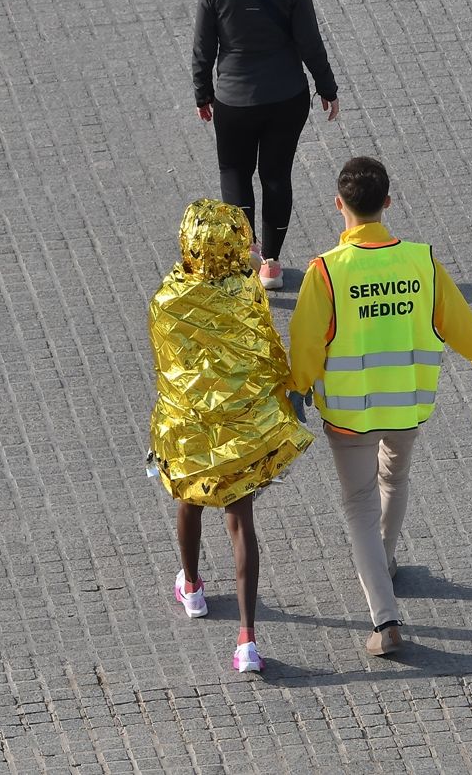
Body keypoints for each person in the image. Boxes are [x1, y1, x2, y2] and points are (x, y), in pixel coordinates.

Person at [287, 157, 472, 657]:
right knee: (395, 480)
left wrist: (298, 387)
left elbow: (306, 345)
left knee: (359, 506)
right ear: (387, 203)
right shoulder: (421, 262)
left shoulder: (326, 271)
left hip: (348, 413)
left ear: (338, 205)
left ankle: (384, 618)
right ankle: (385, 561)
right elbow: (456, 323)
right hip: (408, 405)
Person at [148, 199, 313, 673]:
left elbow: (166, 365)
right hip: (241, 425)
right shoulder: (246, 293)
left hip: (190, 422)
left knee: (189, 500)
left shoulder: (167, 299)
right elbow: (265, 345)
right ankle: (247, 639)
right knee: (241, 521)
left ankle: (194, 588)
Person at [192, 0, 341, 292]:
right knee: (277, 176)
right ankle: (271, 265)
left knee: (234, 172)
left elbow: (205, 44)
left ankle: (245, 253)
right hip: (285, 98)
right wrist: (327, 87)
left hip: (234, 100)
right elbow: (310, 40)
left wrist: (202, 92)